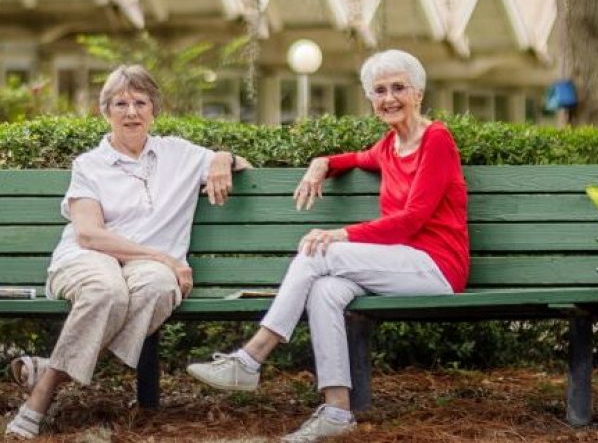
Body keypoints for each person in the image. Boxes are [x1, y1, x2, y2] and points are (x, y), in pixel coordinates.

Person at [186, 49, 469, 443]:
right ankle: (337, 411)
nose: (389, 98)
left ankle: (251, 358)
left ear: (418, 93)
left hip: (436, 266)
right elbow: (352, 157)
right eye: (379, 90)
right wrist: (322, 162)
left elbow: (412, 220)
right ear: (371, 99)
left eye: (398, 88)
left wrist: (340, 234)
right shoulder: (389, 146)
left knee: (318, 250)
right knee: (325, 290)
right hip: (397, 264)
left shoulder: (436, 139)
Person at [6, 64, 250, 440]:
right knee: (107, 290)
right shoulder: (89, 165)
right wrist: (166, 259)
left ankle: (49, 373)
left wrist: (222, 158)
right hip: (88, 259)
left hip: (147, 270)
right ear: (106, 112)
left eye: (140, 102)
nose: (131, 112)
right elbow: (89, 235)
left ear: (154, 110)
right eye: (120, 103)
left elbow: (240, 163)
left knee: (158, 288)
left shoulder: (181, 155)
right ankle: (39, 399)